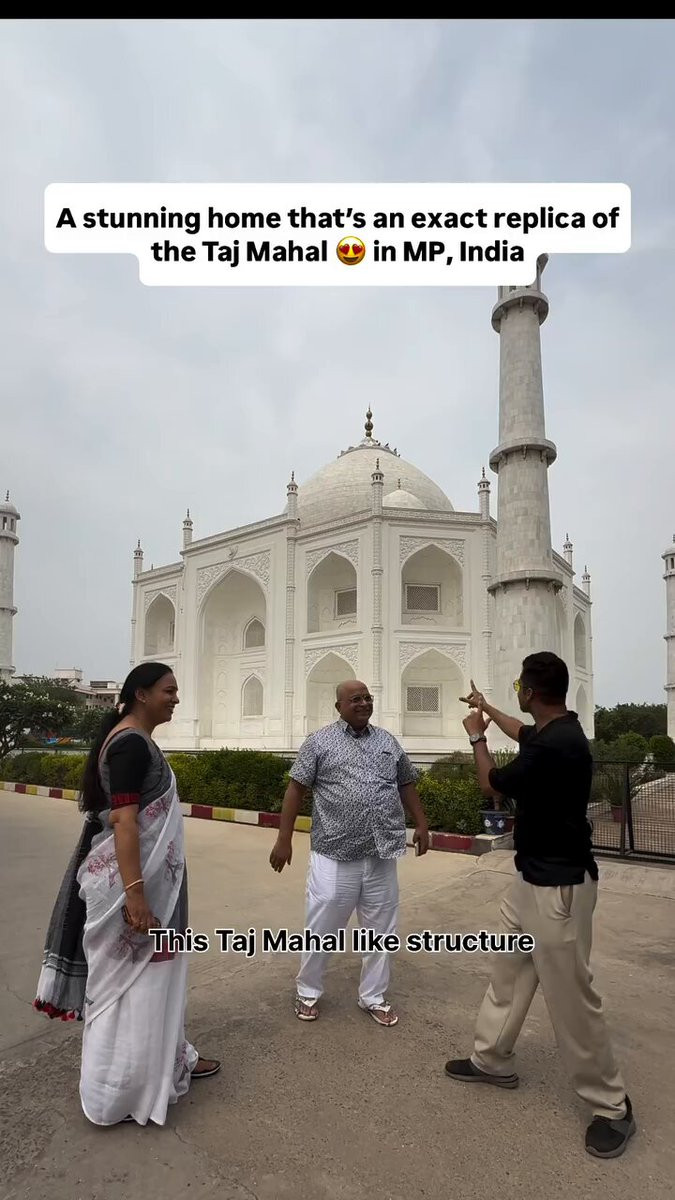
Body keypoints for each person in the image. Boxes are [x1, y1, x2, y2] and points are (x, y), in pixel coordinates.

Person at [445, 652, 635, 1160]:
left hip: (561, 889)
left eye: (518, 690)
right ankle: (491, 1058)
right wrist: (487, 706)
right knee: (509, 971)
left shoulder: (555, 746)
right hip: (531, 879)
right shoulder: (557, 730)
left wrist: (476, 736)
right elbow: (523, 732)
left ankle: (612, 1106)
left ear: (529, 692)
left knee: (571, 996)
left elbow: (490, 785)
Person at [35, 662, 220, 1126]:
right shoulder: (130, 745)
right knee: (128, 988)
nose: (176, 698)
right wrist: (136, 895)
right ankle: (114, 1093)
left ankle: (170, 1061)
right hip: (134, 890)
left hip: (155, 885)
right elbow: (123, 820)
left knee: (157, 982)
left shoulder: (135, 741)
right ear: (141, 694)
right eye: (168, 690)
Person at [269, 680, 429, 1026]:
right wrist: (284, 839)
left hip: (381, 851)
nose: (364, 703)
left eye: (368, 698)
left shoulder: (387, 741)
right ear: (339, 706)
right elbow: (296, 788)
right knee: (323, 927)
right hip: (335, 851)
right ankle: (308, 991)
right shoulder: (319, 742)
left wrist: (421, 823)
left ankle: (373, 996)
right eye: (355, 699)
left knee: (382, 929)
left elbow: (406, 783)